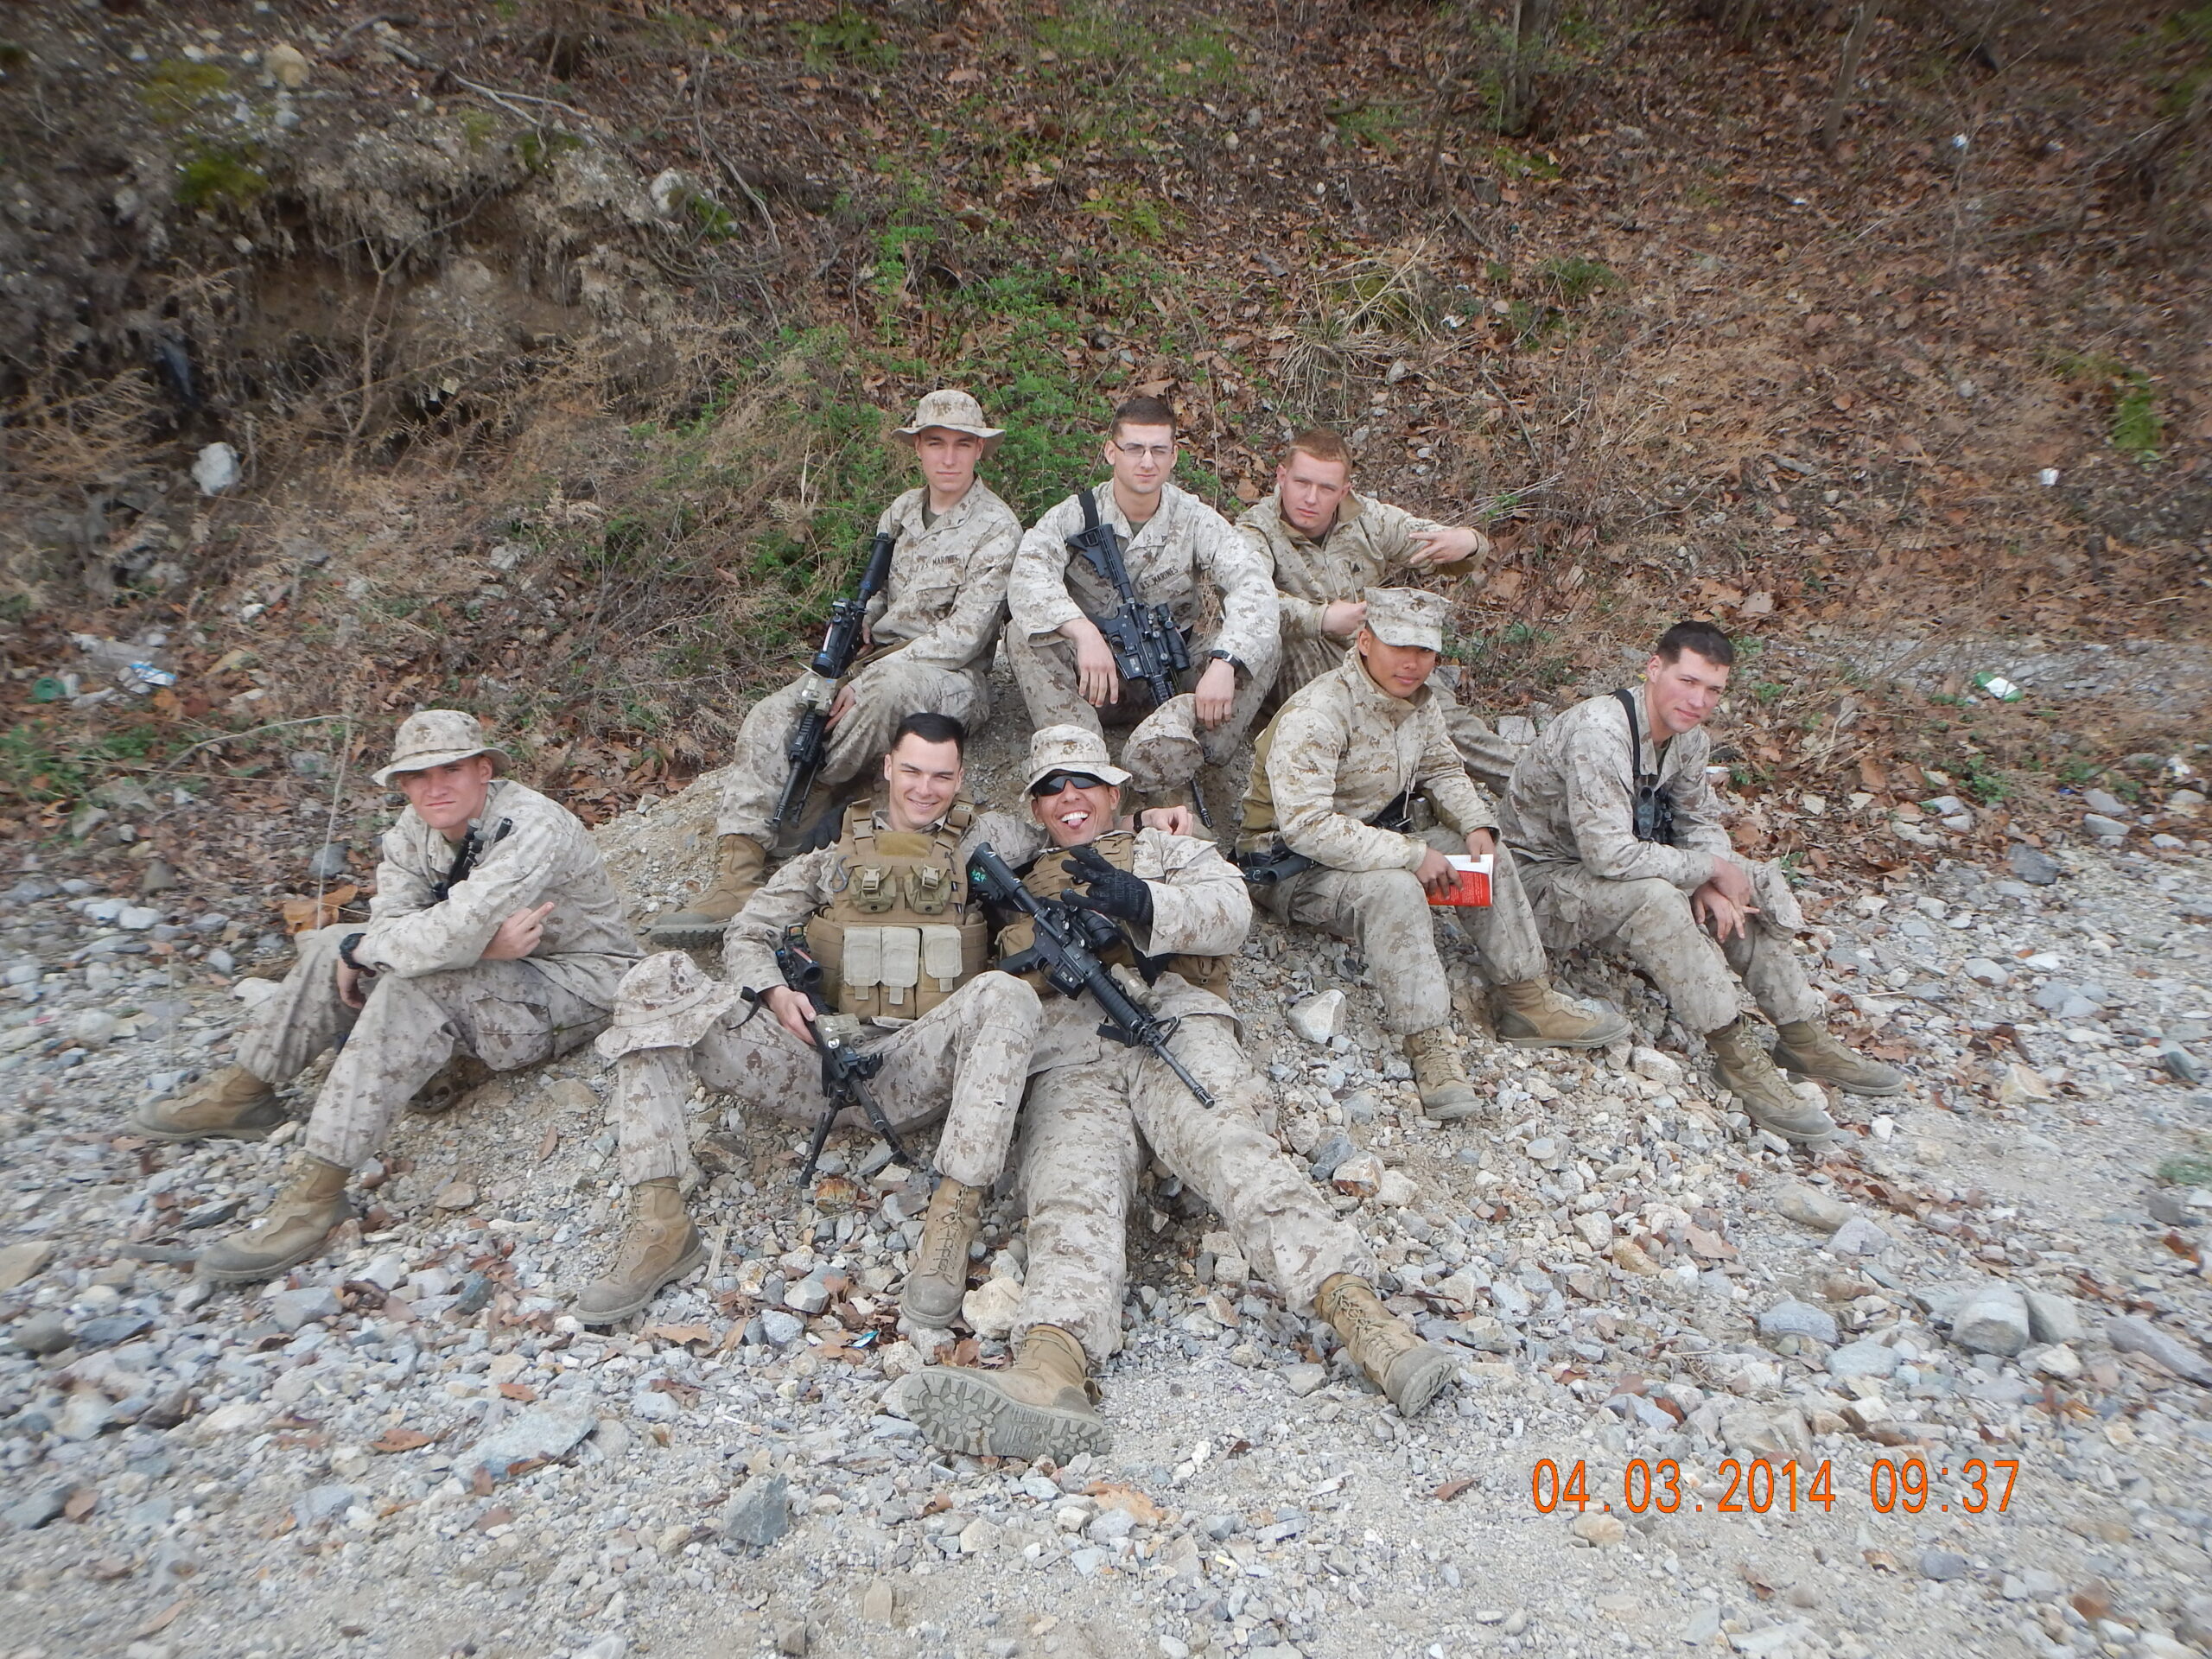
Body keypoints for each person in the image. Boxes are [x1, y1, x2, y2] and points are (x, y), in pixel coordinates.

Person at [899, 726, 1459, 1460]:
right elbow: (943, 820)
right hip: (1067, 1051)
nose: (1069, 798)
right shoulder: (1012, 869)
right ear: (1033, 803)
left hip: (1168, 1022)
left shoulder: (1172, 850)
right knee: (1068, 1187)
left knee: (1235, 1149)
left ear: (1114, 788)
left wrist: (1141, 899)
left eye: (1084, 782)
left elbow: (1231, 916)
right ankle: (1051, 1366)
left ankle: (1364, 1319)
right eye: (1050, 787)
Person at [135, 710, 642, 1281]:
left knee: (404, 984)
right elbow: (399, 923)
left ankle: (318, 1195)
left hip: (579, 981)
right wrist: (464, 948)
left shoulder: (530, 826)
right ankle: (248, 1089)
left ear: (482, 770)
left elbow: (450, 930)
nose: (435, 787)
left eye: (451, 769)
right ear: (402, 784)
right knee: (332, 943)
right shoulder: (412, 830)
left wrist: (435, 946)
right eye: (418, 776)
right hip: (494, 973)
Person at [582, 714, 1041, 1326]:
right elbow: (749, 928)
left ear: (960, 778)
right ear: (887, 767)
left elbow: (1069, 827)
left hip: (919, 1070)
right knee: (654, 977)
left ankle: (953, 1216)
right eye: (911, 771)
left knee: (1006, 996)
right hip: (812, 1062)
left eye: (941, 776)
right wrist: (773, 991)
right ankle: (660, 1221)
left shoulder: (990, 840)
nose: (924, 789)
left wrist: (1145, 821)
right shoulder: (832, 852)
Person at [1501, 620, 1906, 1144]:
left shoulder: (1687, 739)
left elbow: (1699, 820)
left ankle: (1800, 1033)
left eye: (1712, 690)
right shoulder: (1600, 733)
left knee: (1750, 882)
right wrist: (1706, 870)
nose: (1698, 700)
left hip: (1609, 867)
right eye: (1687, 681)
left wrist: (1718, 878)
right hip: (1538, 884)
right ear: (1654, 669)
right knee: (1655, 896)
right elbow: (1607, 856)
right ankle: (1734, 1053)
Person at [647, 389, 1022, 946]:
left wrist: (868, 675)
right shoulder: (898, 512)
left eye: (962, 445)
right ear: (917, 449)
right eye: (935, 443)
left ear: (979, 452)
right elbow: (878, 597)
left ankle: (806, 807)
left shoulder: (998, 527)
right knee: (776, 712)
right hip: (877, 659)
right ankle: (738, 872)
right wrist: (856, 629)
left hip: (950, 678)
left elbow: (964, 637)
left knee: (883, 692)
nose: (948, 458)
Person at [1238, 588, 1627, 1122]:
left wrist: (1475, 824)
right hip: (1288, 867)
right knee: (1397, 888)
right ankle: (1429, 1044)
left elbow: (1441, 768)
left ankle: (1528, 999)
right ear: (1366, 641)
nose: (1413, 662)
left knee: (1489, 857)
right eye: (1399, 646)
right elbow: (1306, 827)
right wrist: (1410, 853)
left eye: (1425, 651)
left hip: (1371, 839)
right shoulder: (1320, 711)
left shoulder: (1418, 704)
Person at [1003, 396, 1278, 822]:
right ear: (1112, 451)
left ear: (1174, 456)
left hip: (1178, 681)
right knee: (1023, 635)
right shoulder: (1073, 516)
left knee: (1264, 641)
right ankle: (1083, 762)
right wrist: (1083, 631)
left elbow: (1252, 583)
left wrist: (1225, 662)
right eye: (1134, 448)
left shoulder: (1195, 518)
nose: (1146, 462)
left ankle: (1193, 753)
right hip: (1100, 684)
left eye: (1158, 450)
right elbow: (1027, 576)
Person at [1237, 426, 1518, 793]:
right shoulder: (1254, 529)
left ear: (1344, 490)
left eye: (1326, 489)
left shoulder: (1368, 520)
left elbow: (1434, 543)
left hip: (1374, 654)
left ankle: (1535, 787)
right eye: (1301, 483)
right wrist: (1321, 619)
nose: (1310, 498)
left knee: (1445, 718)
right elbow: (1250, 599)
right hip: (1305, 662)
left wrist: (1467, 542)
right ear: (1281, 476)